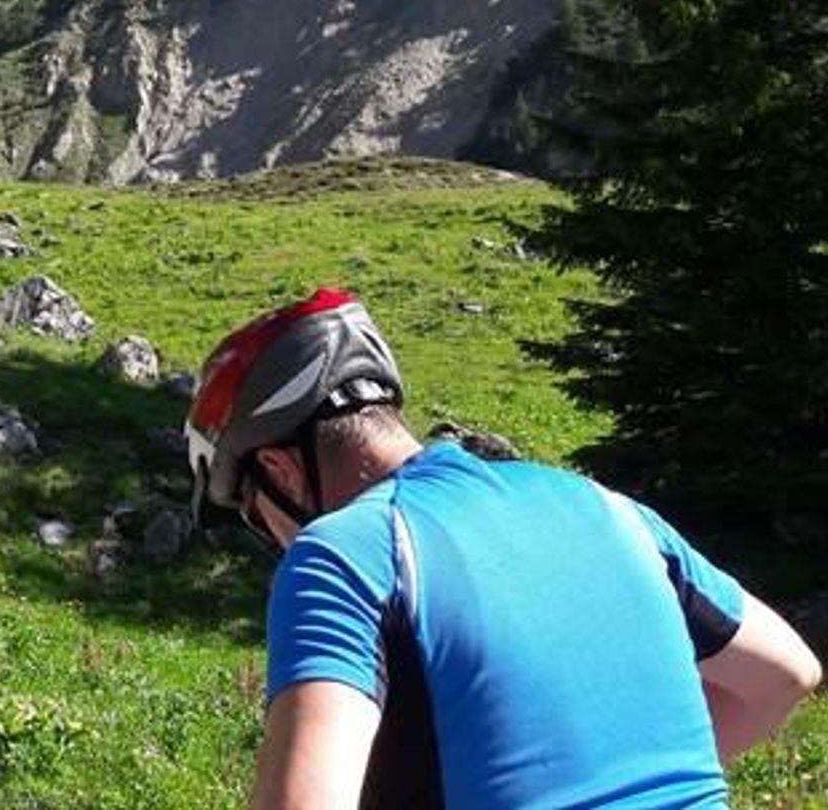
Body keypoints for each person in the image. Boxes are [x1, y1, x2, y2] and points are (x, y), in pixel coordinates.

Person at [185, 289, 821, 810]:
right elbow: (784, 674)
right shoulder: (606, 507)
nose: (275, 539)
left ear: (281, 469)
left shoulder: (345, 553)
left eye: (255, 514)